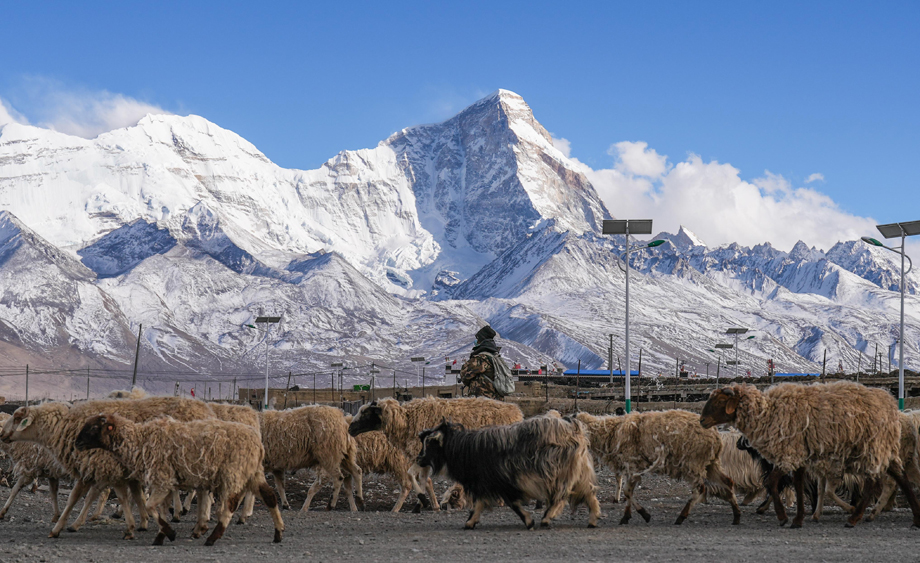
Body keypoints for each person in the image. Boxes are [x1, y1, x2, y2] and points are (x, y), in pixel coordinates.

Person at [459, 325, 512, 400]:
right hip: (496, 400)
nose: (476, 341)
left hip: (483, 401)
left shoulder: (482, 358)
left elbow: (464, 374)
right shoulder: (494, 357)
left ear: (481, 340)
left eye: (477, 339)